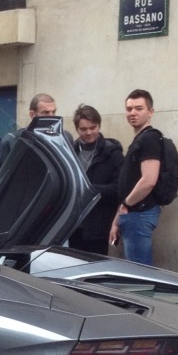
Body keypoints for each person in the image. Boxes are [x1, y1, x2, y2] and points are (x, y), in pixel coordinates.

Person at [108, 88, 163, 266]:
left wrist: (125, 206)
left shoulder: (149, 140)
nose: (133, 113)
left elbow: (148, 181)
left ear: (150, 112)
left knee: (140, 274)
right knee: (137, 271)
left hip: (139, 214)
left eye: (139, 108)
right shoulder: (140, 139)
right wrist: (118, 219)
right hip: (132, 214)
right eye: (129, 109)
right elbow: (130, 184)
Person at [68, 104, 124, 255]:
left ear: (99, 126)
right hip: (74, 225)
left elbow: (120, 188)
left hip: (99, 225)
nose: (89, 132)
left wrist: (91, 190)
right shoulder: (70, 152)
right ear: (77, 129)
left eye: (93, 127)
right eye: (83, 129)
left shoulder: (113, 153)